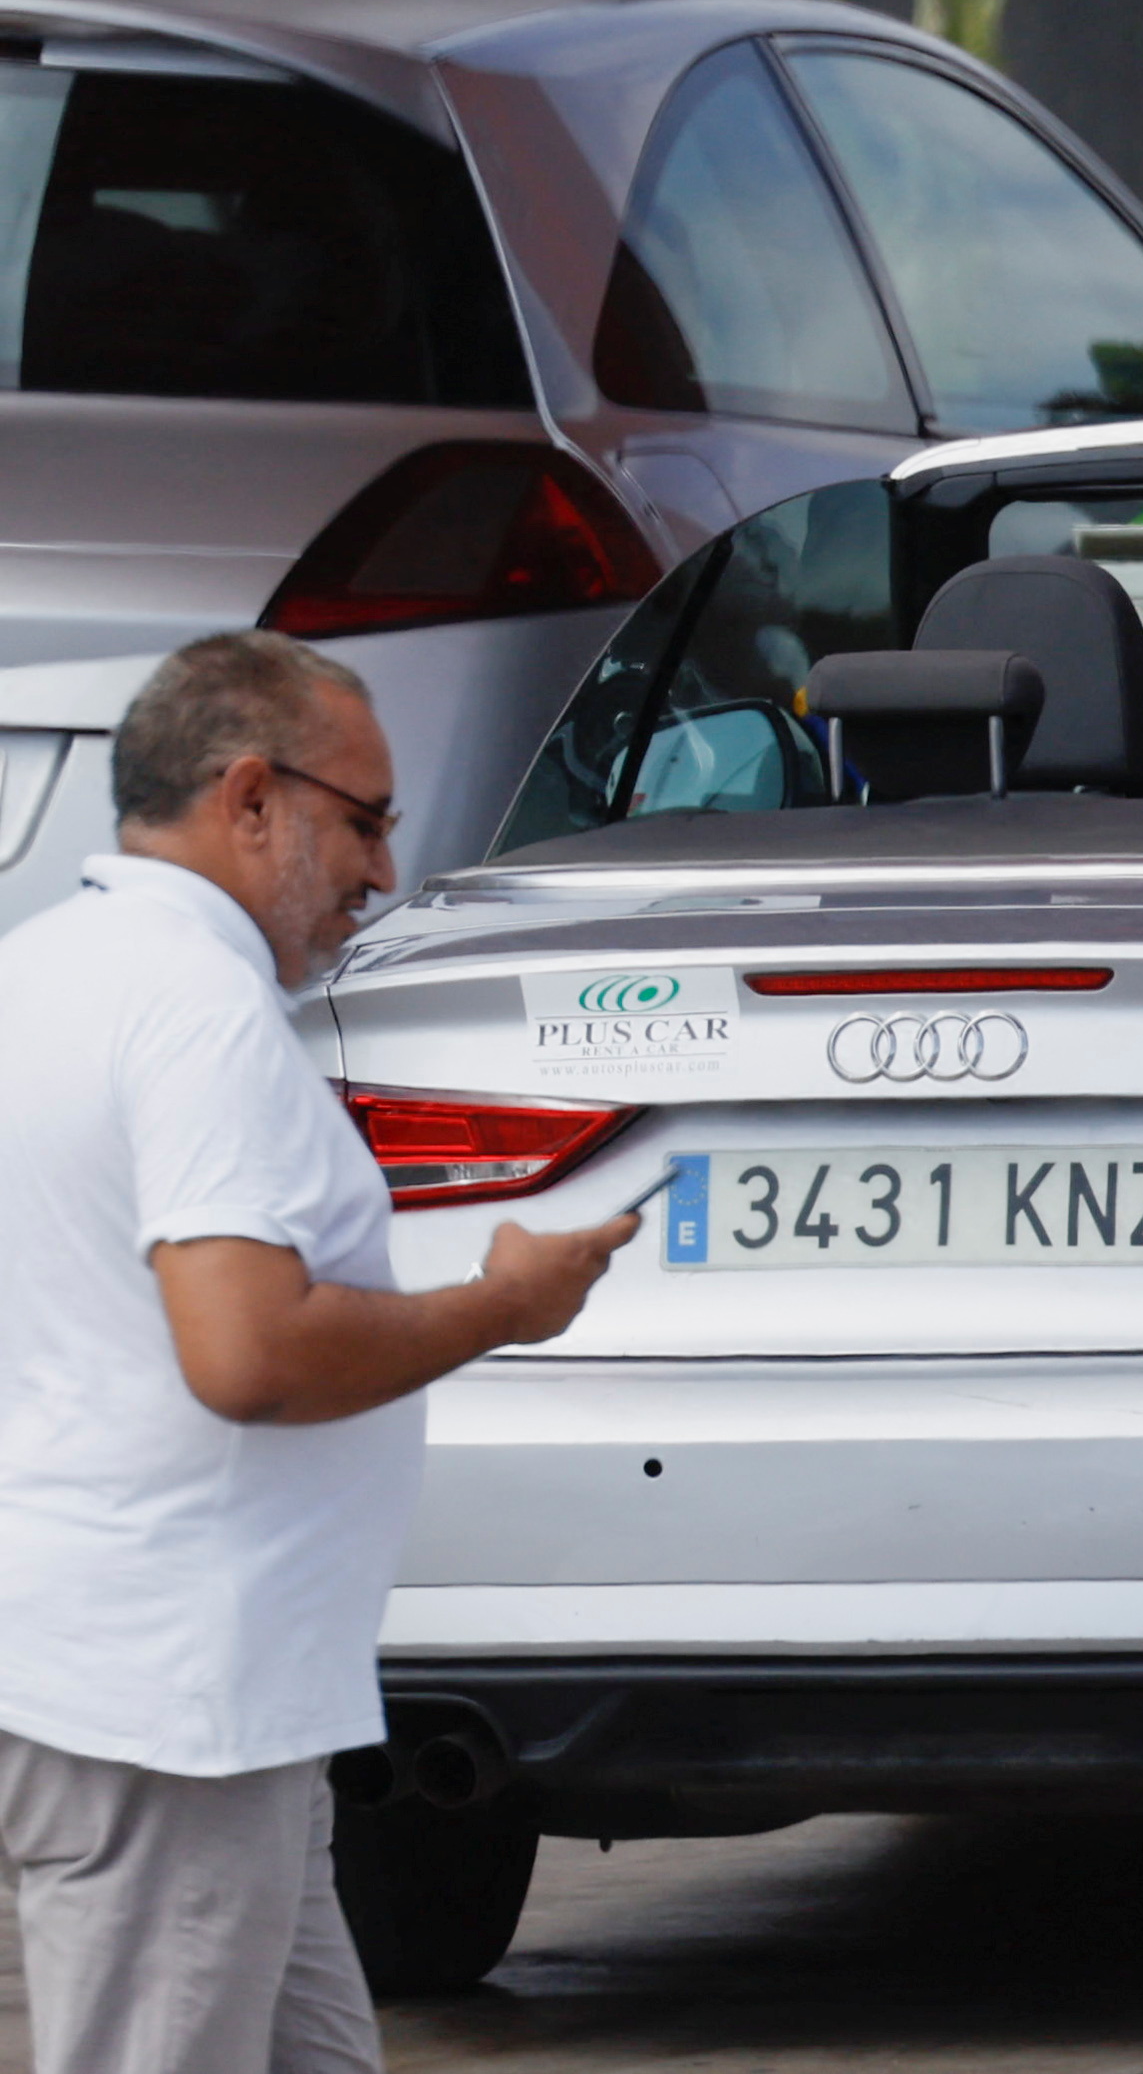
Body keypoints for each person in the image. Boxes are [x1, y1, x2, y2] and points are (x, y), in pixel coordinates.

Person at [0, 632, 636, 2074]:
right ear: (249, 797)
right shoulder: (196, 1011)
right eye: (364, 819)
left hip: (162, 1674)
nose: (381, 870)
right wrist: (502, 1305)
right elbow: (250, 1357)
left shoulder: (41, 972)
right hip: (174, 1693)